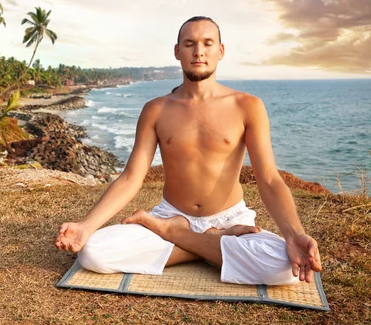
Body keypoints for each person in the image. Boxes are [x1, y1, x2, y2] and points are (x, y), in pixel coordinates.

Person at [54, 16, 322, 285]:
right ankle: (208, 243)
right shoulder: (156, 109)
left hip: (231, 217)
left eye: (207, 43)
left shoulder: (247, 106)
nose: (199, 51)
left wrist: (294, 234)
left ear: (221, 50)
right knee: (93, 252)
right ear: (177, 51)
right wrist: (86, 227)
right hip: (170, 214)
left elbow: (269, 179)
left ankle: (177, 235)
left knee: (287, 268)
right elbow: (131, 177)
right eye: (190, 43)